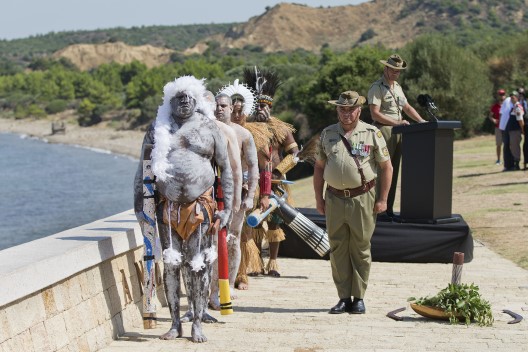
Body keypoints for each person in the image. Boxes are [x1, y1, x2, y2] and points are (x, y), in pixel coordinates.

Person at [133, 75, 234, 343]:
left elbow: (226, 170)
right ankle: (176, 323)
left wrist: (228, 209)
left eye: (189, 98)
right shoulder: (157, 129)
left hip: (200, 206)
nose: (185, 102)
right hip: (167, 208)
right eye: (179, 98)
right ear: (170, 101)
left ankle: (197, 322)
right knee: (170, 264)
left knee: (197, 266)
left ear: (196, 99)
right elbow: (142, 169)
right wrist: (140, 208)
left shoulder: (209, 127)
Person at [313, 90, 392, 314]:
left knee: (360, 247)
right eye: (342, 109)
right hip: (334, 198)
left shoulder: (372, 133)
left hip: (362, 198)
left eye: (351, 109)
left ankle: (359, 297)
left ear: (359, 110)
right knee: (337, 248)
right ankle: (343, 297)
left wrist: (383, 199)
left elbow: (387, 167)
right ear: (337, 110)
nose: (346, 113)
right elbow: (319, 167)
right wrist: (319, 198)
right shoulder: (327, 134)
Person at [243, 66, 299, 277]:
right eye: (258, 106)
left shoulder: (281, 128)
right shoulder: (246, 128)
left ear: (271, 106)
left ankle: (273, 261)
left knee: (275, 222)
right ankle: (255, 262)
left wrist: (279, 170)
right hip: (252, 183)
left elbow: (294, 154)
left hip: (276, 184)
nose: (262, 110)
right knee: (254, 222)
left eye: (266, 106)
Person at [208, 91, 259, 306]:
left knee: (233, 240)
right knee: (212, 242)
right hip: (212, 194)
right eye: (217, 106)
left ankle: (227, 285)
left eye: (223, 106)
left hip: (236, 195)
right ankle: (211, 289)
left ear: (231, 109)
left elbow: (253, 165)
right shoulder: (207, 131)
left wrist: (249, 195)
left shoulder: (243, 134)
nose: (219, 109)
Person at [367, 54, 425, 218]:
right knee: (382, 170)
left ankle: (388, 209)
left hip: (399, 131)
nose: (396, 74)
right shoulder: (376, 87)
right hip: (384, 131)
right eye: (393, 70)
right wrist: (397, 123)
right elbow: (375, 114)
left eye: (398, 72)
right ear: (385, 68)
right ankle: (377, 210)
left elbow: (406, 107)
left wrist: (421, 121)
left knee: (393, 171)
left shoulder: (397, 87)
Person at [504, 90, 525, 170]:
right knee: (513, 147)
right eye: (511, 98)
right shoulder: (514, 106)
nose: (512, 99)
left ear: (517, 98)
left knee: (515, 147)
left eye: (513, 97)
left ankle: (517, 164)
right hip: (512, 130)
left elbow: (520, 120)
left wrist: (523, 130)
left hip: (515, 131)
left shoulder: (517, 107)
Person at [488, 89, 506, 165]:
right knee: (499, 144)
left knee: (508, 144)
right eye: (500, 94)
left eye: (503, 94)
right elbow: (490, 116)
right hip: (498, 128)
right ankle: (498, 160)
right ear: (498, 96)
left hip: (506, 127)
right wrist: (494, 120)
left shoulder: (507, 104)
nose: (502, 96)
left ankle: (507, 159)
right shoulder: (495, 106)